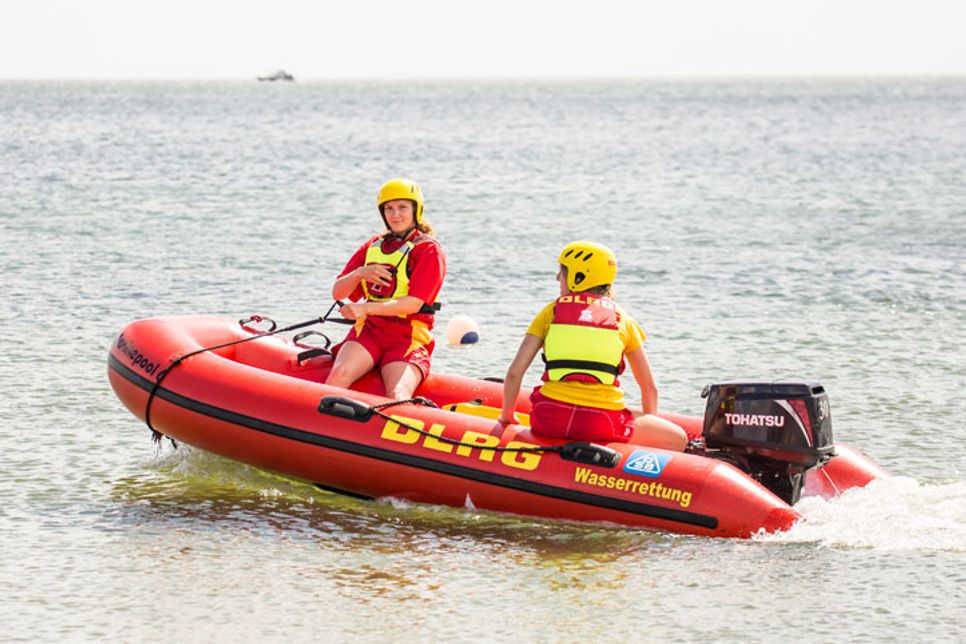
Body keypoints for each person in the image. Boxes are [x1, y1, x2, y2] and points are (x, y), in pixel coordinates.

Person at [497, 241, 687, 451]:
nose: (557, 278)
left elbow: (514, 373)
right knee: (679, 438)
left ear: (578, 277)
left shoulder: (550, 312)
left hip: (549, 419)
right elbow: (649, 386)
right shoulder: (622, 319)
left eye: (562, 272)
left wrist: (507, 417)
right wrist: (650, 423)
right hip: (601, 423)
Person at [325, 178, 446, 400]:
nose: (395, 214)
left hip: (408, 337)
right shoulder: (372, 246)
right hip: (369, 331)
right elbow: (338, 293)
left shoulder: (428, 250)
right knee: (339, 375)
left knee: (397, 394)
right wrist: (360, 273)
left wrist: (365, 308)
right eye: (389, 208)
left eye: (402, 207)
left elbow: (414, 303)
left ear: (416, 210)